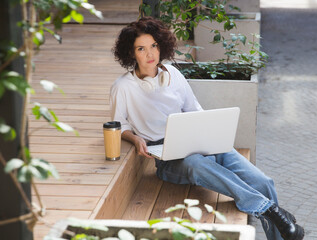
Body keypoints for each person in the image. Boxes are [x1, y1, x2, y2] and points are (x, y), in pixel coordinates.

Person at [110, 16, 304, 240]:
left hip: (201, 144)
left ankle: (282, 232)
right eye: (141, 49)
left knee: (264, 182)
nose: (150, 54)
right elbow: (119, 124)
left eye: (153, 46)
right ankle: (268, 209)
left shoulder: (173, 75)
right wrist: (135, 140)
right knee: (195, 163)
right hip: (168, 159)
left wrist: (210, 135)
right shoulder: (123, 87)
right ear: (131, 53)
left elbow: (194, 110)